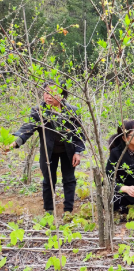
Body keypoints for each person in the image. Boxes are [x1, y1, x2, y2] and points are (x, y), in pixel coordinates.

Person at [8, 80, 85, 214]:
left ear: (62, 95)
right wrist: (15, 142)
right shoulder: (39, 111)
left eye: (52, 93)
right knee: (49, 179)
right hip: (49, 151)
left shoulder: (72, 111)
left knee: (69, 179)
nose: (48, 96)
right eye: (46, 92)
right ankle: (49, 210)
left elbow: (79, 133)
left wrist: (78, 151)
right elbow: (28, 128)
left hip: (68, 151)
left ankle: (68, 210)